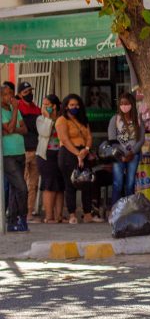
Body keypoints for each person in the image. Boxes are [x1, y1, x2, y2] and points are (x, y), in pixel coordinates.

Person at [55, 93, 95, 224]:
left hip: (84, 152)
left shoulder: (83, 119)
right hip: (68, 154)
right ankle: (72, 214)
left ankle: (87, 214)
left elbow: (89, 137)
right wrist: (78, 154)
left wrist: (86, 150)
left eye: (77, 105)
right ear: (66, 106)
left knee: (87, 182)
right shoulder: (61, 120)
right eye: (72, 105)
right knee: (70, 184)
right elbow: (65, 140)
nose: (75, 107)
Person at [107, 92, 144, 205]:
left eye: (126, 103)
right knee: (118, 183)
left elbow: (141, 139)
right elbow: (112, 139)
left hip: (134, 155)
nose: (124, 106)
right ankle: (114, 211)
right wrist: (122, 155)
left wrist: (132, 152)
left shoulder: (138, 119)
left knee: (130, 183)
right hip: (119, 156)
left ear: (132, 104)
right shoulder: (115, 119)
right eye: (122, 103)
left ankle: (129, 210)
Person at [2, 81, 29, 232]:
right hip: (8, 155)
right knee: (22, 188)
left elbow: (24, 129)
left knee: (14, 189)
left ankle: (12, 222)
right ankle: (22, 217)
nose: (9, 97)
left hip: (20, 151)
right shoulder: (7, 111)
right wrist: (15, 110)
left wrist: (12, 130)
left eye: (10, 94)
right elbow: (11, 127)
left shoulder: (14, 109)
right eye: (5, 95)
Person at [36, 94, 65, 223]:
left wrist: (55, 117)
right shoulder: (40, 119)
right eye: (44, 104)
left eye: (48, 104)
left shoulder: (62, 119)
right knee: (49, 184)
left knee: (60, 185)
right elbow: (45, 132)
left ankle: (59, 215)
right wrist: (48, 118)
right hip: (46, 155)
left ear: (55, 106)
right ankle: (49, 216)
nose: (45, 107)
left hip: (60, 153)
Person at [16, 81, 42, 223]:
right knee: (23, 183)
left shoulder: (36, 109)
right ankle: (20, 212)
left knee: (33, 183)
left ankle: (29, 211)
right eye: (26, 92)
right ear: (20, 95)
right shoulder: (17, 109)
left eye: (30, 91)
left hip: (36, 149)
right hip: (22, 150)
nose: (29, 94)